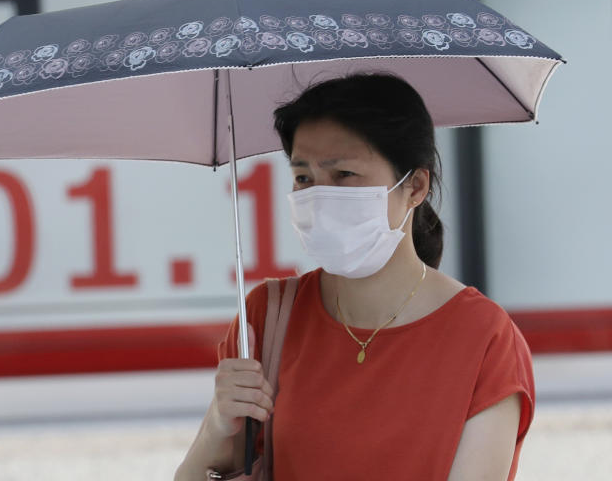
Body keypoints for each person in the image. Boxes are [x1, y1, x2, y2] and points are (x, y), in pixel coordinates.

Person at [175, 74, 534, 481]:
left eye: (344, 174)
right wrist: (218, 426)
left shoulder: (483, 337)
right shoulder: (267, 317)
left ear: (415, 186)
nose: (319, 196)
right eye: (304, 178)